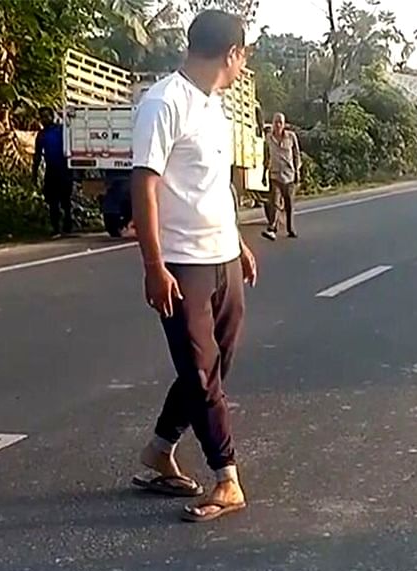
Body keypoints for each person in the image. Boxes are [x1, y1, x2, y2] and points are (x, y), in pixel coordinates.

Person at [130, 8, 258, 523]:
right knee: (202, 372)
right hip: (183, 265)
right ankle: (226, 476)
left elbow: (213, 187)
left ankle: (160, 451)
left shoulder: (214, 105)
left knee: (213, 365)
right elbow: (144, 184)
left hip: (223, 256)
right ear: (232, 54)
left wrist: (239, 243)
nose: (243, 64)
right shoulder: (164, 102)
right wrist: (153, 265)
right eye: (244, 55)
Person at [32, 108, 74, 236]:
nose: (44, 120)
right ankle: (56, 227)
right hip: (51, 170)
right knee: (52, 201)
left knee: (66, 200)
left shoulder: (61, 130)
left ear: (52, 116)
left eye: (46, 116)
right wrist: (34, 172)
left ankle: (68, 225)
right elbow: (38, 155)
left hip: (65, 169)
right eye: (42, 117)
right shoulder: (41, 135)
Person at [261, 111, 300, 241]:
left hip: (289, 175)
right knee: (275, 203)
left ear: (284, 124)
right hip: (275, 175)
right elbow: (266, 156)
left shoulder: (291, 137)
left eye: (280, 122)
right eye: (275, 122)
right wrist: (264, 172)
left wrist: (297, 171)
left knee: (289, 204)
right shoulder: (268, 138)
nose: (277, 125)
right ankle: (272, 228)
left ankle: (290, 228)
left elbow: (296, 155)